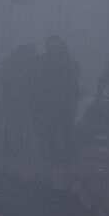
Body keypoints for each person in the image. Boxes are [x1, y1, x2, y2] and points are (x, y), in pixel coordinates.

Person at [33, 36, 80, 165]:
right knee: (52, 130)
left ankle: (64, 157)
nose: (53, 48)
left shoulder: (66, 61)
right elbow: (37, 82)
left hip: (62, 102)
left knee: (64, 131)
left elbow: (73, 81)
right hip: (51, 103)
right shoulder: (44, 61)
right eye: (51, 45)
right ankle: (53, 156)